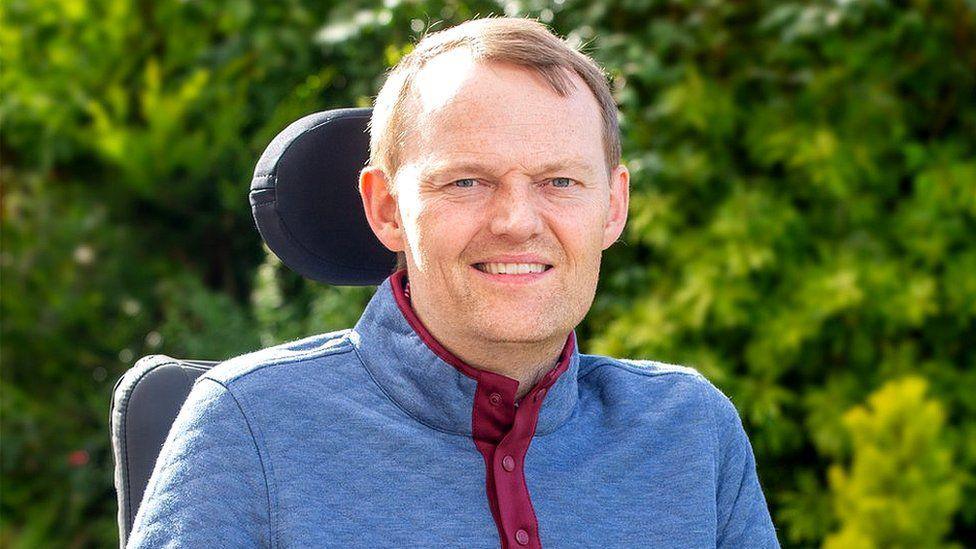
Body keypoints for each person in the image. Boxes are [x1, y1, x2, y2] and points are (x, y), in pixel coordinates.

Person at [127, 16, 780, 548]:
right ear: (385, 207)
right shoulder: (251, 427)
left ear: (613, 206)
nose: (517, 220)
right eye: (467, 181)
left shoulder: (689, 432)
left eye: (560, 182)